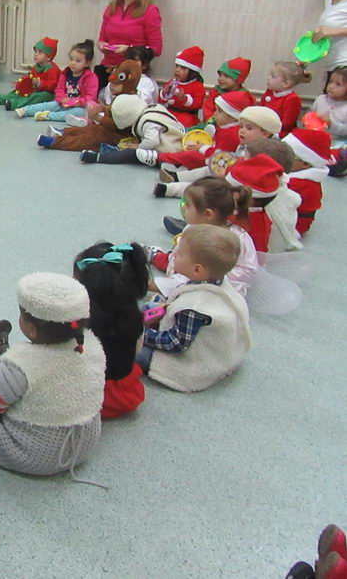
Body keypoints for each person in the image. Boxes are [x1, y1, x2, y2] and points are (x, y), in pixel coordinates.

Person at [0, 272, 106, 481]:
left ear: (31, 329)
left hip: (37, 452)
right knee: (18, 384)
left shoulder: (23, 364)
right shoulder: (89, 345)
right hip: (83, 442)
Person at [137, 224, 252, 393]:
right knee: (150, 308)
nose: (173, 254)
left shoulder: (195, 307)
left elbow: (175, 343)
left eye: (180, 253)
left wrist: (140, 334)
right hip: (194, 332)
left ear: (197, 270)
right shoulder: (215, 280)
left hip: (190, 361)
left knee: (134, 353)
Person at [147, 177, 258, 299]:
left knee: (183, 285)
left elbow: (249, 271)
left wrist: (215, 273)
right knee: (177, 267)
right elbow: (180, 252)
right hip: (190, 269)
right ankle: (158, 259)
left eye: (188, 205)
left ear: (208, 214)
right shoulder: (191, 227)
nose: (183, 208)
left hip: (215, 285)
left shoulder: (237, 238)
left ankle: (149, 286)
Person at [72, 243, 148, 419]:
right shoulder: (135, 318)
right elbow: (136, 349)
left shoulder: (80, 325)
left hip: (93, 396)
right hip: (126, 394)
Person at [95, 0, 163, 89]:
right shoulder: (112, 8)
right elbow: (101, 39)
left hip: (132, 72)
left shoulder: (149, 11)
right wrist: (101, 45)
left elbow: (156, 49)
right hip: (108, 68)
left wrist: (129, 49)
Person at [79, 94, 184, 166]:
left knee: (129, 153)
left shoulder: (146, 121)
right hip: (178, 143)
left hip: (168, 152)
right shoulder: (154, 108)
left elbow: (153, 141)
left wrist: (139, 146)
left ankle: (97, 157)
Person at [17, 39, 99, 123]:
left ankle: (48, 116)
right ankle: (26, 110)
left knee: (78, 112)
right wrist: (62, 99)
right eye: (71, 59)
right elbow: (59, 89)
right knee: (49, 105)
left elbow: (91, 97)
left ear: (87, 63)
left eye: (78, 61)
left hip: (80, 106)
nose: (73, 63)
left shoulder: (91, 77)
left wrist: (77, 102)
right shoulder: (65, 74)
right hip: (64, 102)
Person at [0, 37, 60, 109]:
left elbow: (52, 86)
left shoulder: (52, 69)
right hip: (35, 89)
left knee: (40, 96)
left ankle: (14, 104)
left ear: (49, 56)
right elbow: (30, 77)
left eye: (40, 52)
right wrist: (22, 83)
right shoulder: (36, 67)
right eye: (35, 51)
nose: (36, 54)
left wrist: (39, 83)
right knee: (17, 92)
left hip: (49, 94)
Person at [283, 128, 333, 236]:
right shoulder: (293, 171)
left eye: (288, 155)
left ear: (305, 164)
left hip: (294, 223)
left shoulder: (303, 184)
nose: (282, 157)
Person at [158, 46, 206, 127]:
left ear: (192, 72)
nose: (177, 70)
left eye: (183, 68)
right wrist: (163, 93)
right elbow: (161, 101)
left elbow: (198, 104)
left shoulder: (198, 86)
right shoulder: (172, 82)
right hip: (169, 114)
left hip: (186, 118)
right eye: (177, 66)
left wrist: (184, 99)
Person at [259, 61, 309, 137]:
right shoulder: (269, 92)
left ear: (286, 83)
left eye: (273, 76)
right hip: (264, 127)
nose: (268, 78)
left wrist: (268, 129)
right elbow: (261, 108)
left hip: (280, 133)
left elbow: (287, 124)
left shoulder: (292, 99)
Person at [201, 57, 253, 123]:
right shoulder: (215, 91)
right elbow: (208, 108)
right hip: (212, 124)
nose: (220, 79)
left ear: (238, 79)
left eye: (226, 76)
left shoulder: (245, 97)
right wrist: (210, 120)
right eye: (220, 75)